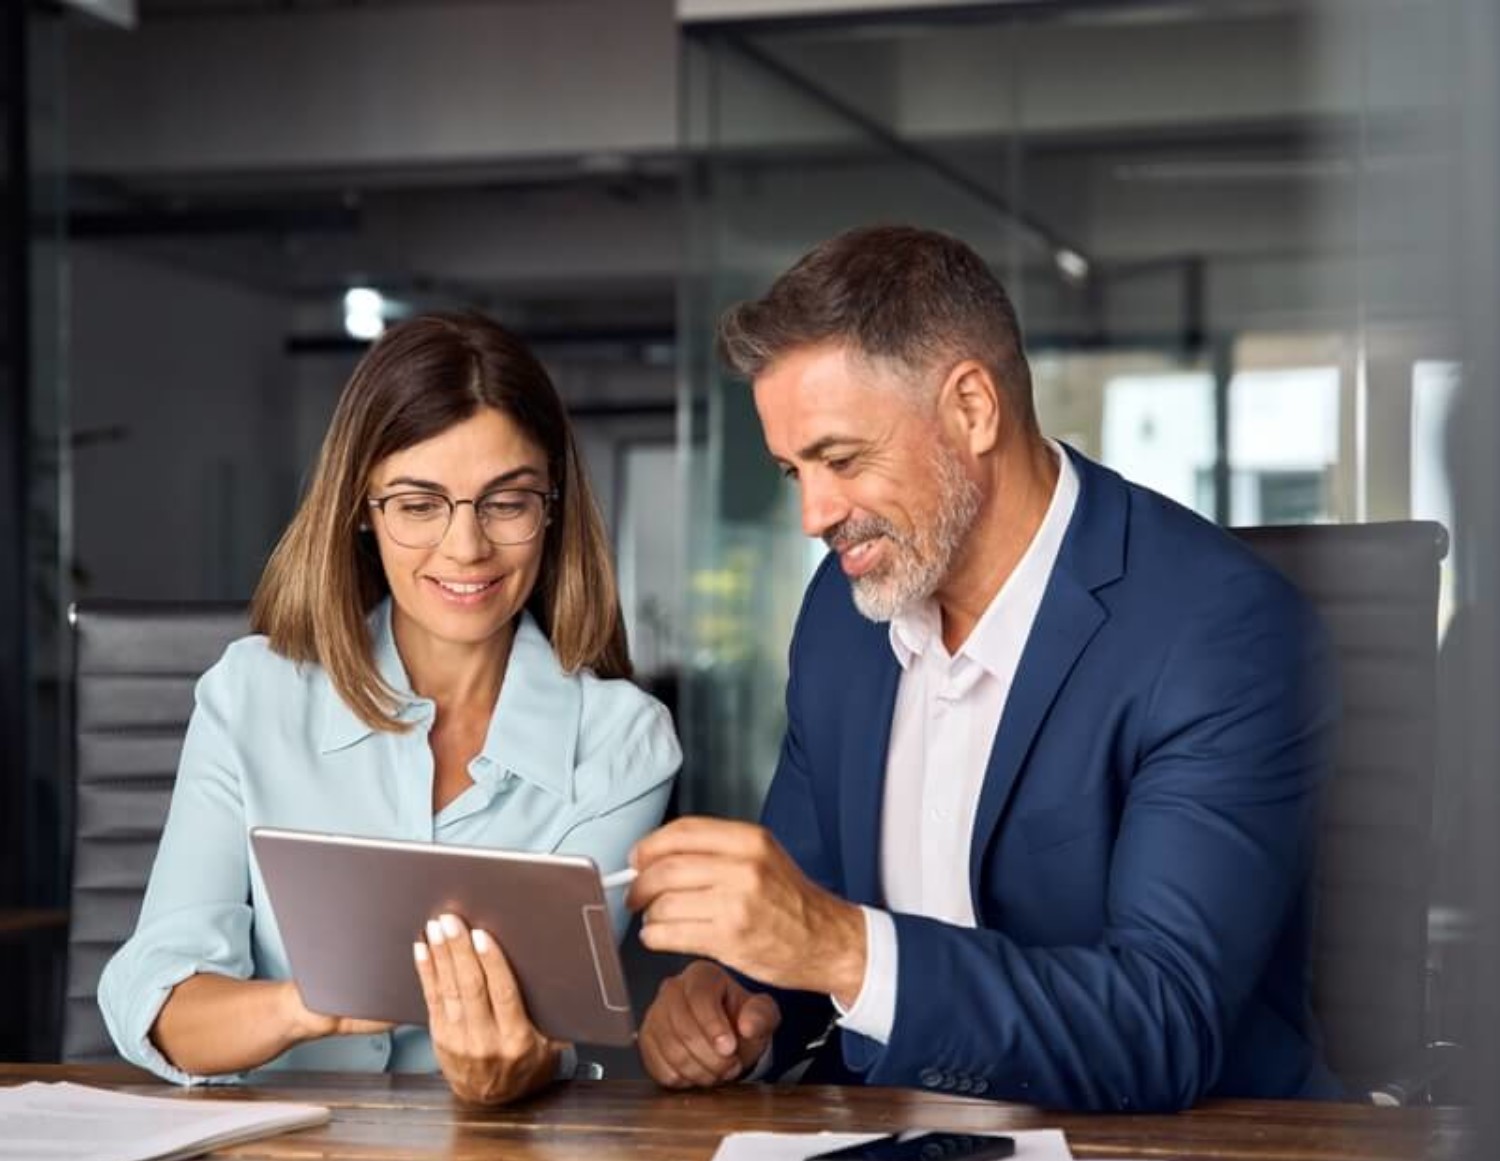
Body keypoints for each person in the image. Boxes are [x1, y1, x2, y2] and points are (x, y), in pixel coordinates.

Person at [628, 225, 1341, 1111]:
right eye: (791, 471)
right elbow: (806, 918)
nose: (814, 514)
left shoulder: (1219, 632)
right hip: (879, 1156)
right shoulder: (843, 617)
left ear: (972, 407)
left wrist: (845, 951)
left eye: (841, 459)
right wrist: (733, 1003)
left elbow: (1165, 1024)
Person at [99, 312, 681, 1104]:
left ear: (552, 507)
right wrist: (312, 1005)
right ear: (362, 511)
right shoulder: (250, 696)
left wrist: (518, 1064)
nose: (466, 547)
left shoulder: (623, 743)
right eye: (419, 504)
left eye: (506, 503)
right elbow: (159, 1001)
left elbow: (553, 1024)